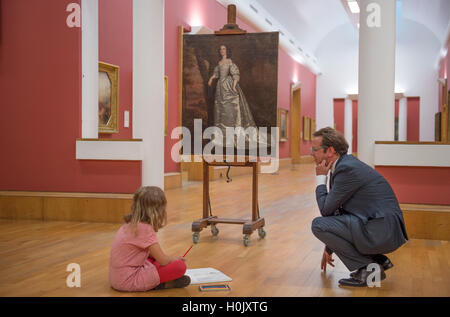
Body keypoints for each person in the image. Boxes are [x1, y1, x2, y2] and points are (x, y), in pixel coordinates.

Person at [310, 127, 408, 287]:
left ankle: (368, 269)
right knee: (324, 224)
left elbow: (326, 210)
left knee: (318, 225)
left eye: (315, 149)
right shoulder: (344, 165)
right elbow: (335, 211)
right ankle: (376, 260)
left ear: (330, 151)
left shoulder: (346, 168)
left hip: (381, 229)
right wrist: (330, 247)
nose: (311, 153)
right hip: (378, 224)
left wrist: (320, 178)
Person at [109, 186, 190, 291]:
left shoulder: (131, 223)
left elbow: (152, 255)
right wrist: (174, 259)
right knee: (180, 266)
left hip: (116, 278)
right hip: (129, 281)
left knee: (151, 257)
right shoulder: (145, 228)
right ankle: (161, 284)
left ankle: (159, 280)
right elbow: (162, 260)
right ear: (157, 210)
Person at [207, 44, 263, 149]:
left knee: (231, 110)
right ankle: (221, 136)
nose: (222, 50)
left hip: (228, 86)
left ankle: (233, 136)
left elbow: (235, 74)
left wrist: (233, 86)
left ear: (227, 50)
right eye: (220, 49)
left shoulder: (230, 62)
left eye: (224, 49)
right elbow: (217, 73)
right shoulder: (219, 63)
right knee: (220, 109)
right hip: (220, 88)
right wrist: (211, 78)